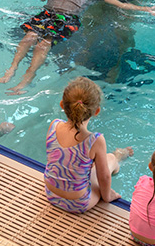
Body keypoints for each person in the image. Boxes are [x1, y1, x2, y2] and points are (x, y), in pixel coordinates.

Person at [0, 0, 155, 95]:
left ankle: (28, 77)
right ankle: (12, 68)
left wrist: (146, 9)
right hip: (47, 12)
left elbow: (119, 4)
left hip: (66, 18)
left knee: (43, 45)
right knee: (28, 38)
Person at [44, 76, 133, 213]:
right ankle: (119, 156)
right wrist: (108, 196)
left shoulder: (54, 125)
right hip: (78, 203)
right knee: (111, 159)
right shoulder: (95, 140)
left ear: (62, 105)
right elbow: (104, 177)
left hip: (51, 194)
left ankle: (111, 157)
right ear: (96, 111)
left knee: (85, 162)